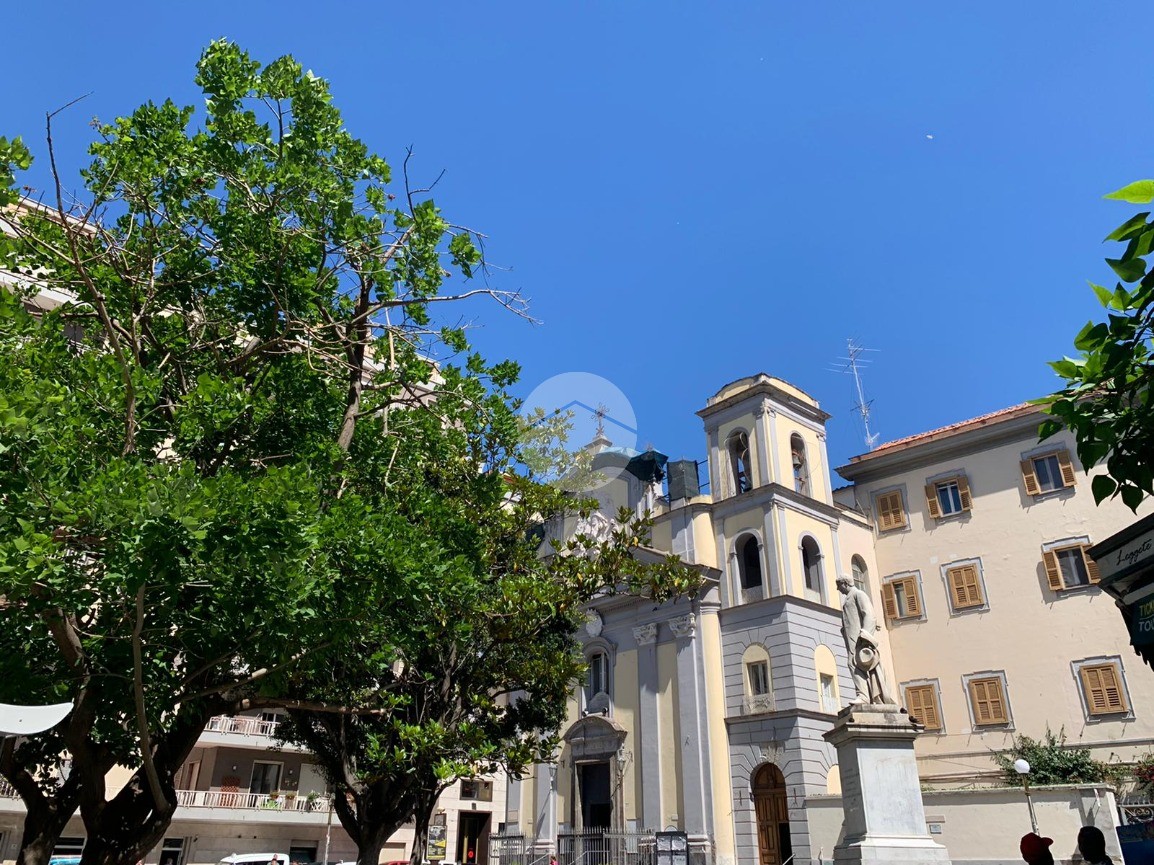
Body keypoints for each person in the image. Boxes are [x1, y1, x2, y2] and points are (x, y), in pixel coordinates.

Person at [835, 575, 896, 704]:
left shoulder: (859, 594)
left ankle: (863, 696)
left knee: (855, 663)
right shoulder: (849, 597)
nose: (837, 589)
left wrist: (865, 635)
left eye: (839, 585)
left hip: (859, 638)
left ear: (845, 584)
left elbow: (870, 615)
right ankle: (866, 695)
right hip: (852, 638)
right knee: (856, 664)